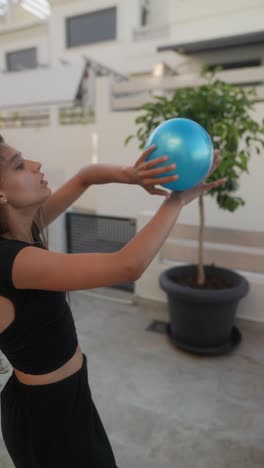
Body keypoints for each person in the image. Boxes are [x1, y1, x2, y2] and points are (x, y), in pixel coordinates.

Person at [0, 134, 226, 468]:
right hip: (45, 414)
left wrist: (132, 175)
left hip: (65, 396)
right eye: (19, 165)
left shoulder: (23, 231)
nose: (36, 165)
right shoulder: (13, 260)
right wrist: (176, 201)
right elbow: (128, 265)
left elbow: (84, 176)